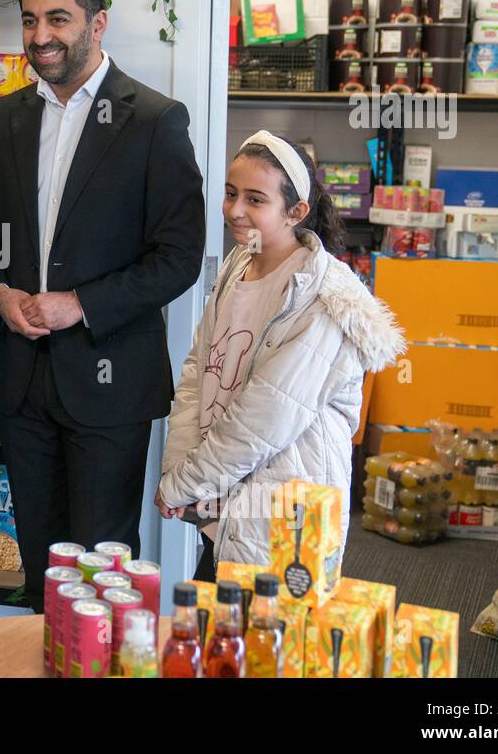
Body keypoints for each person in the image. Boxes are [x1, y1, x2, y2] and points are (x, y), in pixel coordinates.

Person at [0, 0, 206, 612]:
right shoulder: (2, 120)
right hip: (21, 378)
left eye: (57, 18)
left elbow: (181, 255)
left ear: (98, 23)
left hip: (110, 380)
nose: (40, 34)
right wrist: (0, 294)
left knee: (103, 566)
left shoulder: (155, 120)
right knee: (40, 561)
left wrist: (81, 304)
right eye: (28, 20)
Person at [156, 131, 406, 574]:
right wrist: (182, 470)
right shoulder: (238, 265)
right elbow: (199, 372)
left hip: (281, 521)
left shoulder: (324, 299)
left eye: (255, 199)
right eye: (231, 194)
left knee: (265, 639)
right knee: (215, 633)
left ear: (296, 212)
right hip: (225, 505)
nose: (235, 210)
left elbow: (263, 419)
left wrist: (183, 483)